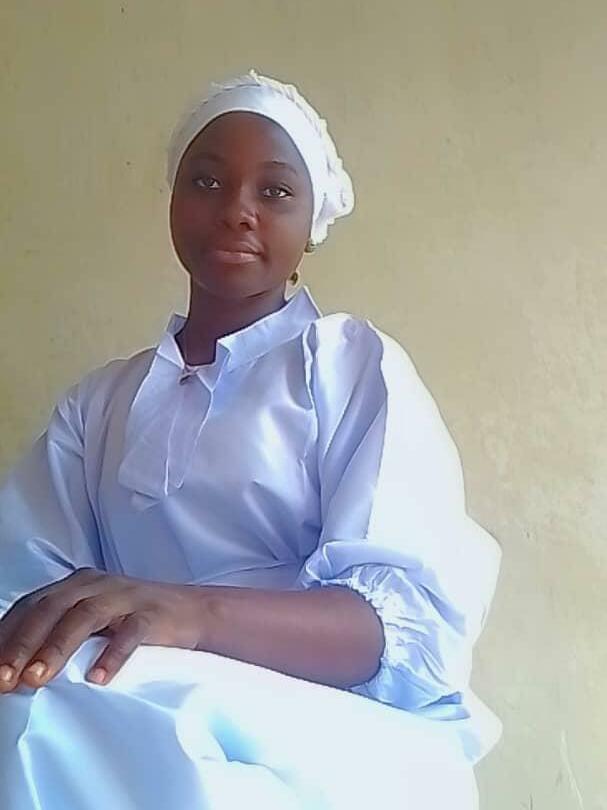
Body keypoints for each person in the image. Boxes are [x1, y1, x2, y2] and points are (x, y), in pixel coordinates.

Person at [0, 70, 501, 809]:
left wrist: (190, 612)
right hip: (125, 690)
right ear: (173, 201)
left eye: (274, 191)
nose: (237, 210)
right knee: (34, 691)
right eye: (206, 181)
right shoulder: (99, 404)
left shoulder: (348, 365)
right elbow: (26, 593)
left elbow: (399, 632)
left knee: (82, 713)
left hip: (323, 724)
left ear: (311, 222)